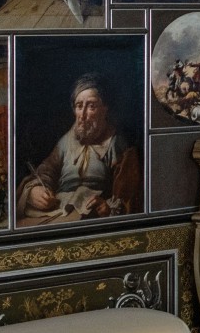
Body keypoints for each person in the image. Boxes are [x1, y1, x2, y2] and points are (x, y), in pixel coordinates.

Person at [17, 74, 141, 224]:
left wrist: (107, 207)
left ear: (105, 109)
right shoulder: (66, 141)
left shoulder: (116, 143)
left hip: (90, 214)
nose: (82, 115)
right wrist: (34, 192)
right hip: (57, 209)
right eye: (79, 106)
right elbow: (46, 172)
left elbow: (127, 192)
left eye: (91, 106)